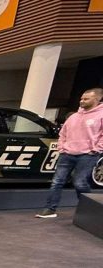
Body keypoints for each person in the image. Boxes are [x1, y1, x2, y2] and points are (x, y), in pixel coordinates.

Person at [37, 87, 103, 219]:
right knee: (57, 182)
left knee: (80, 183)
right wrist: (62, 147)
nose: (82, 101)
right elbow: (63, 133)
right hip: (67, 154)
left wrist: (96, 149)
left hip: (88, 155)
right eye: (81, 98)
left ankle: (90, 209)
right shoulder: (74, 117)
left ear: (96, 99)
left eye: (86, 99)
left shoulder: (100, 115)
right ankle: (50, 209)